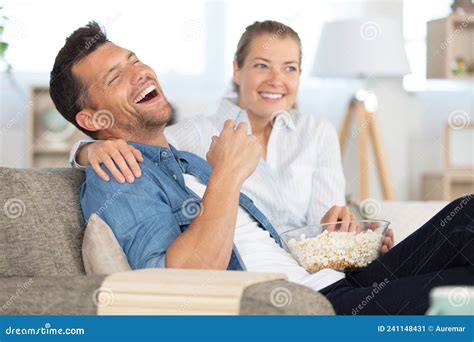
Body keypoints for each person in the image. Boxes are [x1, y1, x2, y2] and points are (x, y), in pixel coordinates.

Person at [50, 21, 473, 315]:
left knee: (467, 214)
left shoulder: (187, 160)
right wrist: (89, 152)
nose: (139, 71)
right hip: (313, 309)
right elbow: (177, 286)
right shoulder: (125, 174)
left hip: (331, 281)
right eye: (115, 75)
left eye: (134, 59)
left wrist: (350, 238)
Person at [69, 20, 362, 239]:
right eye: (262, 66)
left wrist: (357, 237)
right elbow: (140, 147)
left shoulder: (317, 132)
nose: (277, 80)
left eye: (290, 68)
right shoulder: (200, 133)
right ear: (237, 70)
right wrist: (87, 149)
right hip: (271, 275)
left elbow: (329, 226)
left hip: (318, 269)